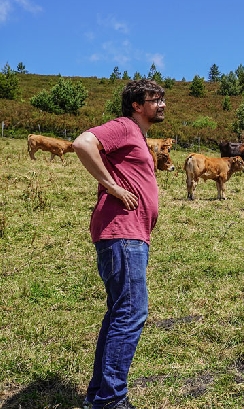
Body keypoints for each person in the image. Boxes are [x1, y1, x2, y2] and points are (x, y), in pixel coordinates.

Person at [73, 79, 166, 409]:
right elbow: (83, 143)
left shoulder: (137, 135)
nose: (162, 104)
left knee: (119, 314)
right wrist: (112, 186)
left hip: (129, 234)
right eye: (155, 100)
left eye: (162, 98)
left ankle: (97, 396)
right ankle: (110, 400)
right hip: (122, 233)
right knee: (131, 314)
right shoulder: (125, 127)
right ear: (137, 105)